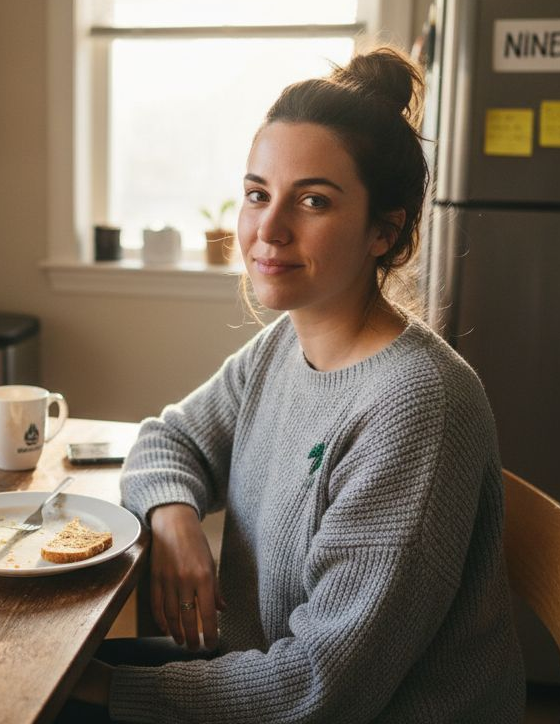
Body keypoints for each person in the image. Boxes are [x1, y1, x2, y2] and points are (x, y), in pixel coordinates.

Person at [66, 46, 525, 722]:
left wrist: (105, 692)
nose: (268, 230)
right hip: (265, 676)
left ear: (384, 230)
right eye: (258, 194)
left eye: (312, 200)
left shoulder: (417, 405)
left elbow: (318, 690)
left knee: (42, 693)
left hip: (330, 707)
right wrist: (174, 516)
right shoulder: (287, 343)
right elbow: (169, 439)